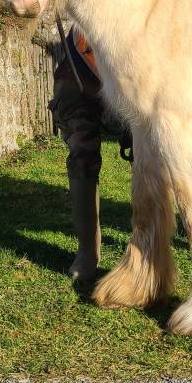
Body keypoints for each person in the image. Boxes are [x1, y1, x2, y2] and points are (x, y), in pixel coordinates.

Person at [49, 24, 130, 280]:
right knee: (80, 143)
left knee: (151, 152)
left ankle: (148, 247)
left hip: (138, 51)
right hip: (83, 55)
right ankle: (87, 250)